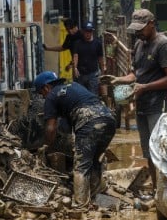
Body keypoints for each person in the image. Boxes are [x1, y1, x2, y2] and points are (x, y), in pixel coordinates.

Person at [107, 9, 167, 190]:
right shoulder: (139, 45)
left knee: (161, 150)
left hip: (160, 105)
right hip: (142, 105)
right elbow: (135, 74)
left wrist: (145, 87)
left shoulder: (164, 45)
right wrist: (119, 80)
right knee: (148, 151)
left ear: (152, 24)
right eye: (136, 29)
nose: (138, 32)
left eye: (141, 28)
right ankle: (156, 191)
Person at [33, 71, 116, 208]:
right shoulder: (74, 86)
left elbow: (51, 128)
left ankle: (80, 205)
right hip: (109, 119)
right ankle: (97, 200)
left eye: (42, 93)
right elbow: (66, 125)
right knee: (94, 161)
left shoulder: (51, 97)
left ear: (46, 87)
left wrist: (46, 148)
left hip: (89, 123)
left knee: (81, 165)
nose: (43, 97)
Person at [71, 21, 105, 95]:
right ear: (83, 31)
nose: (88, 33)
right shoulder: (77, 43)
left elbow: (100, 59)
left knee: (93, 95)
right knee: (80, 95)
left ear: (92, 31)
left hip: (93, 74)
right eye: (86, 31)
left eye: (90, 31)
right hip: (80, 74)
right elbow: (75, 55)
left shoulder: (97, 43)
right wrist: (75, 68)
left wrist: (102, 72)